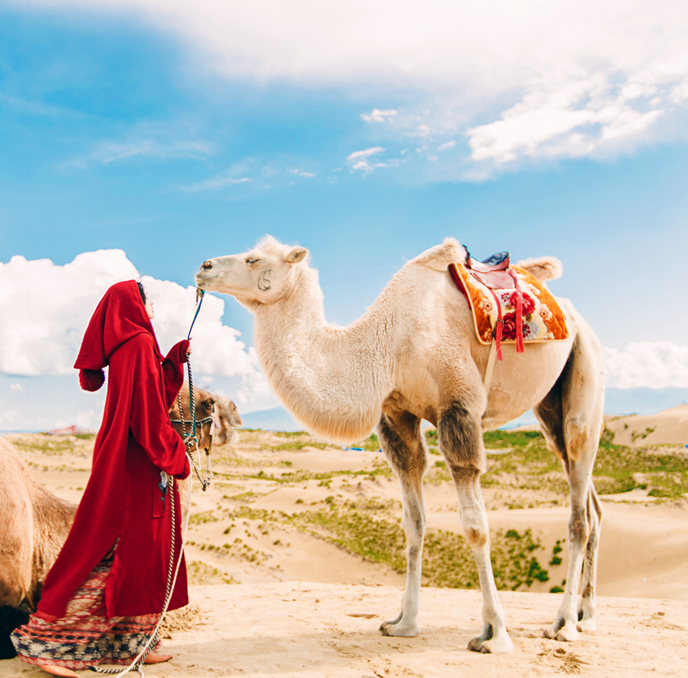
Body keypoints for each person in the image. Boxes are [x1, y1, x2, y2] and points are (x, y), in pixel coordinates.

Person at [11, 280, 191, 678]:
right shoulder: (140, 343)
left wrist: (173, 361)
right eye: (149, 301)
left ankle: (133, 643)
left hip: (126, 458)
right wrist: (176, 456)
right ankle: (54, 641)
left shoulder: (133, 346)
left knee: (142, 549)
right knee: (120, 548)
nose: (154, 308)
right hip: (136, 463)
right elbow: (148, 417)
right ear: (135, 306)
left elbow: (150, 392)